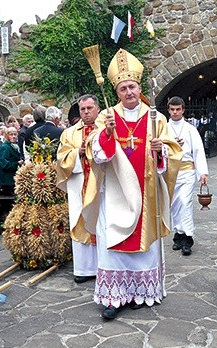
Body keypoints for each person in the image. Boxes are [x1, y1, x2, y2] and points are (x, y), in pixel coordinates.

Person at [84, 49, 182, 320]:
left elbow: (172, 153)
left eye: (132, 86)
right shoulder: (107, 116)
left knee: (143, 247)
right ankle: (115, 298)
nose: (128, 92)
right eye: (123, 88)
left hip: (146, 190)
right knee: (113, 242)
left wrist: (160, 149)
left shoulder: (156, 117)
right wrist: (106, 133)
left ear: (140, 88)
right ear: (117, 91)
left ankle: (140, 292)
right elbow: (97, 154)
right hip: (115, 192)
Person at [56, 94, 100, 284]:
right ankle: (83, 269)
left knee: (100, 223)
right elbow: (61, 158)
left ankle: (103, 267)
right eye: (83, 109)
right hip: (78, 184)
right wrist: (77, 153)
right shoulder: (70, 133)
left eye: (90, 108)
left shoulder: (105, 129)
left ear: (97, 109)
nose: (86, 112)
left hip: (100, 185)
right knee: (79, 221)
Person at [166, 96, 209, 256]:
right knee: (174, 205)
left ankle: (188, 239)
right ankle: (178, 235)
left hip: (186, 171)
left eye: (178, 109)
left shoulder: (190, 129)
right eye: (172, 109)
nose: (175, 112)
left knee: (185, 202)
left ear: (183, 110)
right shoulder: (165, 129)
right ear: (169, 110)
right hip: (170, 172)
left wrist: (202, 172)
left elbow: (198, 151)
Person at [0, 126, 22, 222]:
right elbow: (4, 164)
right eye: (11, 134)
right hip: (7, 180)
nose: (14, 136)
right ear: (6, 135)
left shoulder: (13, 146)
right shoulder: (4, 147)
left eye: (15, 134)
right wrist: (17, 164)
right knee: (7, 203)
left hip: (12, 178)